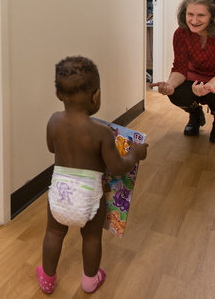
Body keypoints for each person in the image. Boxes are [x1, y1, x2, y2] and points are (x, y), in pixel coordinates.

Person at [37, 56, 148, 294]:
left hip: (59, 193)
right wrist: (134, 154)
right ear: (96, 96)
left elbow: (51, 148)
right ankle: (89, 280)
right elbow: (117, 167)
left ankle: (47, 278)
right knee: (91, 238)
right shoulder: (101, 133)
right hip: (89, 198)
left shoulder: (54, 121)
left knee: (53, 233)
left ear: (58, 94)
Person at [149, 0, 215, 143]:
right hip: (195, 74)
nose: (194, 20)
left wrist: (210, 86)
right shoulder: (181, 33)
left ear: (213, 16)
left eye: (201, 15)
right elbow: (180, 68)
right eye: (190, 14)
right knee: (176, 93)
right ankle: (195, 114)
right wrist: (170, 85)